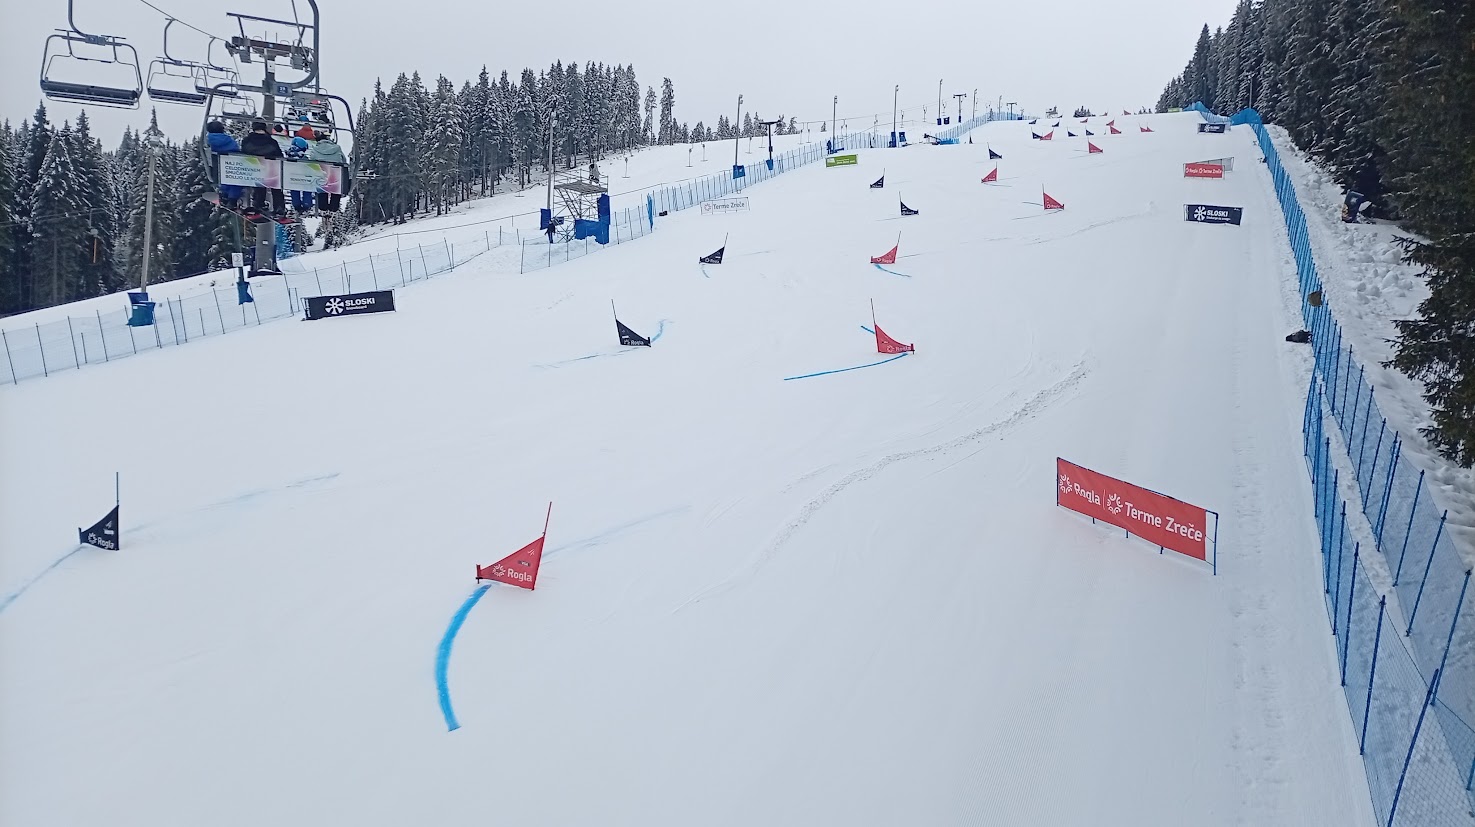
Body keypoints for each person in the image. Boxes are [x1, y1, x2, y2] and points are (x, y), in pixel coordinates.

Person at [239, 121, 285, 216]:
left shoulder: (247, 141)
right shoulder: (271, 141)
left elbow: (243, 153)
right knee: (275, 187)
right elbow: (279, 155)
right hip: (271, 168)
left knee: (259, 185)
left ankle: (258, 204)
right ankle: (279, 207)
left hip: (254, 167)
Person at [205, 121, 244, 212]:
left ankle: (225, 196)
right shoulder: (229, 140)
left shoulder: (208, 141)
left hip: (218, 168)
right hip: (233, 165)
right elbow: (236, 150)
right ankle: (232, 200)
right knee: (235, 181)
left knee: (223, 179)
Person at [307, 131, 348, 212]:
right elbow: (344, 159)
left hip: (322, 172)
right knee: (335, 188)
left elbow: (311, 159)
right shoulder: (337, 148)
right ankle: (334, 206)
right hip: (335, 172)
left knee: (322, 187)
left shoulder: (315, 149)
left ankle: (323, 205)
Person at [285, 136, 314, 214]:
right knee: (307, 189)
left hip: (291, 177)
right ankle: (307, 204)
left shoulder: (289, 155)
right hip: (304, 177)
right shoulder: (303, 158)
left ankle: (296, 205)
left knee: (294, 189)